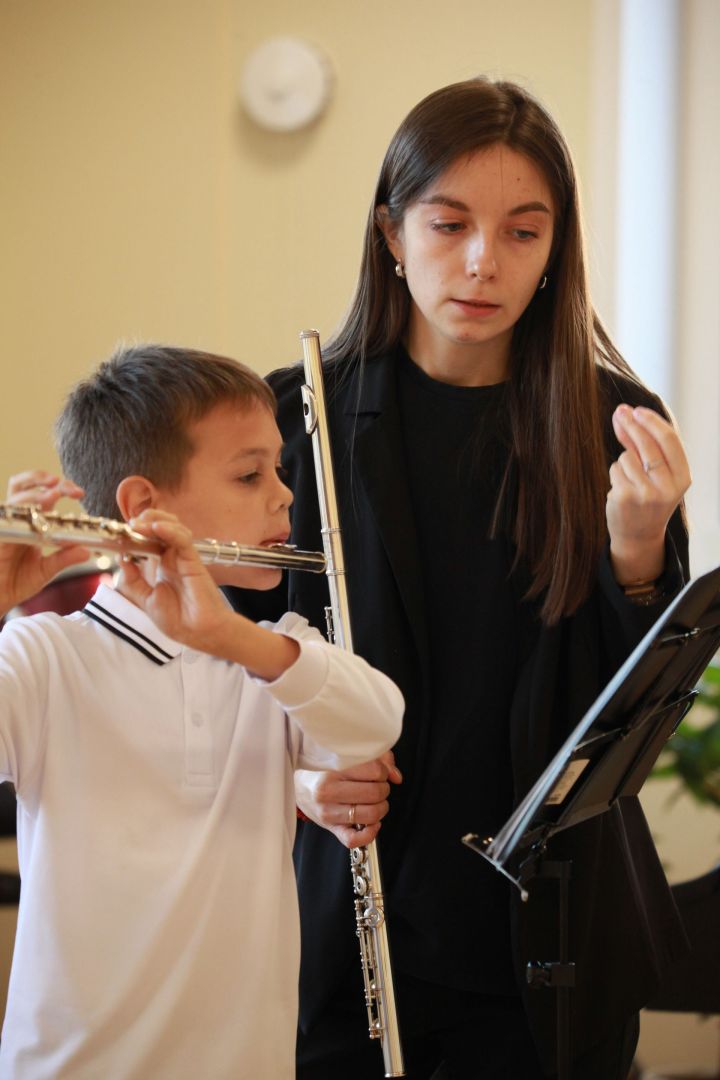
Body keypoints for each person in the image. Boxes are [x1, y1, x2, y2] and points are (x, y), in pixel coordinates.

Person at [227, 77, 692, 1080]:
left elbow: (630, 715)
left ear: (554, 249)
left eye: (523, 233)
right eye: (449, 223)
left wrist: (640, 546)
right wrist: (301, 781)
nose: (483, 261)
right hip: (343, 925)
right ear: (392, 233)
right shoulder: (292, 418)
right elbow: (219, 676)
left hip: (548, 935)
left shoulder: (610, 420)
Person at [0, 344, 403, 1080]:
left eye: (279, 470)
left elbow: (377, 719)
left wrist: (229, 635)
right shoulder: (41, 656)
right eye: (251, 475)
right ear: (142, 509)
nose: (284, 496)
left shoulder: (274, 652)